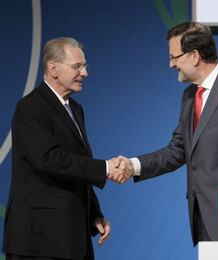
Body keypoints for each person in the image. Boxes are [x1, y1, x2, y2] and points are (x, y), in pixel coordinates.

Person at [113, 22, 218, 245]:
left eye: (174, 57)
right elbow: (177, 150)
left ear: (194, 56)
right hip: (202, 219)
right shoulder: (189, 96)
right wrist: (132, 165)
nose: (170, 64)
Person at [2, 37, 132, 260]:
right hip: (39, 241)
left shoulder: (75, 109)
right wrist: (105, 168)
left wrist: (94, 213)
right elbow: (49, 159)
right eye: (76, 67)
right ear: (53, 68)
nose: (84, 73)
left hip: (70, 237)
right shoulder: (30, 108)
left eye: (84, 66)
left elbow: (76, 165)